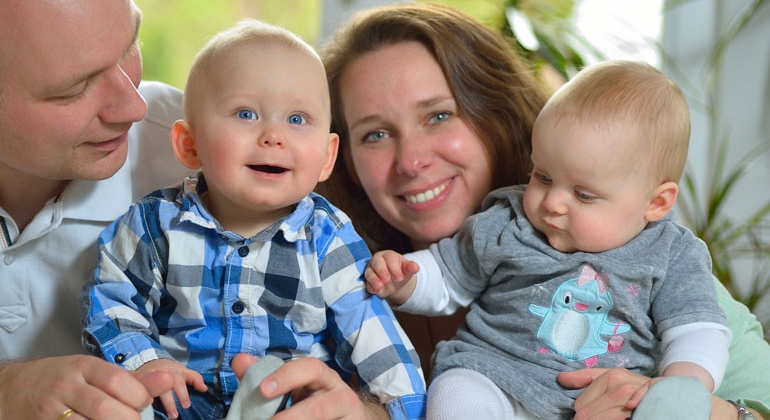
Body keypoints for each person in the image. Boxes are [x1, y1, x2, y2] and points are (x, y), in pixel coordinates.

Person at [0, 1, 377, 419]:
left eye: (128, 47)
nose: (132, 105)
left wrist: (365, 411)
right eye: (74, 88)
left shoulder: (214, 152)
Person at [316, 2, 770, 419]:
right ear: (340, 157)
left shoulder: (653, 254)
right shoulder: (330, 281)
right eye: (375, 135)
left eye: (438, 115)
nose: (411, 161)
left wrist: (679, 403)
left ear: (495, 115)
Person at [80, 20, 426, 420]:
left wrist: (390, 413)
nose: (273, 136)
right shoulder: (155, 224)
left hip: (285, 407)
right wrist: (145, 362)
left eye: (297, 119)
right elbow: (112, 297)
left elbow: (377, 343)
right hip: (180, 404)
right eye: (246, 113)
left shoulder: (327, 239)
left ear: (327, 156)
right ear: (189, 144)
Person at [365, 59, 730, 419]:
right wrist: (404, 277)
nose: (552, 203)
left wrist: (679, 388)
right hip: (493, 374)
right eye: (542, 177)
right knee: (455, 395)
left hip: (597, 402)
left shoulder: (671, 253)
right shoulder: (510, 220)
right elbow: (448, 274)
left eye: (583, 194)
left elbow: (697, 330)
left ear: (656, 203)